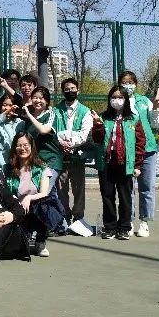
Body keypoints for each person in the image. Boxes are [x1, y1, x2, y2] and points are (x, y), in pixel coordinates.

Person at [91, 86, 145, 240]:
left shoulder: (134, 118)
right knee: (107, 195)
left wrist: (138, 165)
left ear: (126, 100)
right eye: (113, 97)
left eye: (120, 97)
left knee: (125, 196)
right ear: (109, 100)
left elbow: (140, 143)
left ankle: (124, 227)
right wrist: (98, 125)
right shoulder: (103, 117)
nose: (117, 100)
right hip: (107, 162)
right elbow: (97, 139)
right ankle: (110, 227)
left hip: (125, 163)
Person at [118, 70, 159, 238]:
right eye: (124, 82)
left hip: (147, 150)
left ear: (136, 84)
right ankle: (128, 221)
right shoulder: (118, 101)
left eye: (131, 82)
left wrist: (156, 107)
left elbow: (157, 124)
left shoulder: (144, 101)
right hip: (127, 150)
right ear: (120, 84)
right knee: (127, 188)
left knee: (147, 188)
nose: (128, 85)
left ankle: (144, 223)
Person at [5, 133, 60, 257]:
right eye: (19, 145)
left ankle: (40, 241)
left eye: (26, 145)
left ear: (31, 147)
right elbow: (5, 192)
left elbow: (44, 193)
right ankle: (23, 237)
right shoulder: (7, 169)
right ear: (14, 147)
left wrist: (29, 198)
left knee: (45, 205)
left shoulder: (42, 168)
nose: (22, 148)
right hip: (16, 207)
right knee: (17, 247)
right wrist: (17, 202)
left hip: (35, 206)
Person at [53, 78, 93, 227]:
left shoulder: (85, 111)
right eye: (66, 89)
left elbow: (85, 133)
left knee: (78, 189)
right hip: (60, 156)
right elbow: (52, 130)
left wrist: (72, 144)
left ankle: (78, 217)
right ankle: (64, 216)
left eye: (72, 88)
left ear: (78, 90)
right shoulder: (55, 110)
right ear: (63, 91)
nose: (70, 91)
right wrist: (61, 143)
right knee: (61, 189)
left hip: (77, 155)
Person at [22, 87, 65, 198]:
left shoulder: (51, 115)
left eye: (41, 98)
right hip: (36, 163)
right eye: (35, 97)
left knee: (43, 193)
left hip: (51, 162)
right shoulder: (28, 120)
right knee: (50, 195)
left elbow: (43, 130)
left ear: (47, 101)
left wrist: (29, 115)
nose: (38, 100)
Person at [0, 94, 24, 179]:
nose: (7, 108)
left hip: (12, 165)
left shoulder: (19, 123)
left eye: (10, 105)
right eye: (4, 105)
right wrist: (4, 115)